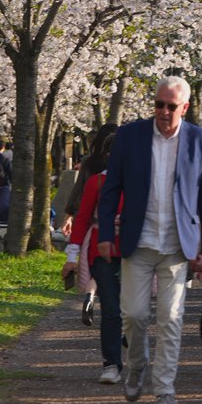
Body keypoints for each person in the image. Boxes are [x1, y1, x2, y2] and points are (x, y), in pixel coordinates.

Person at [97, 76, 202, 404]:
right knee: (133, 315)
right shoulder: (130, 136)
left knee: (171, 318)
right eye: (158, 104)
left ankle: (165, 389)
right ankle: (136, 364)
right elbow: (111, 190)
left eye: (171, 106)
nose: (164, 112)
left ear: (185, 107)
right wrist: (106, 233)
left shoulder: (200, 139)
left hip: (179, 245)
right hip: (138, 240)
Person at [62, 152, 124, 384]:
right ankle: (111, 363)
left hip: (134, 249)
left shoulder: (140, 179)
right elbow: (83, 217)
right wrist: (72, 254)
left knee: (134, 310)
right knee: (110, 307)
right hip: (100, 249)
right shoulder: (96, 182)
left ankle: (134, 355)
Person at [63, 123, 119, 323]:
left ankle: (90, 294)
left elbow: (78, 190)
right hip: (113, 226)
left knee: (97, 265)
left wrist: (70, 213)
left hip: (89, 220)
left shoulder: (90, 163)